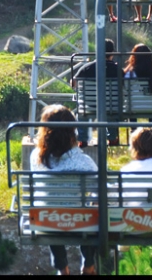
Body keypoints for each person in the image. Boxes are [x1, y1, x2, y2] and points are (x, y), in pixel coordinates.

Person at [31, 104, 99, 275]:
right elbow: (100, 189)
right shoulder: (83, 162)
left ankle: (63, 269)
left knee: (50, 209)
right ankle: (89, 264)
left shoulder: (36, 157)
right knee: (93, 209)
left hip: (45, 220)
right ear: (72, 131)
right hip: (77, 220)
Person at [71, 38, 122, 145]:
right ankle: (112, 137)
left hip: (89, 106)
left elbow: (73, 83)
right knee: (112, 108)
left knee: (81, 110)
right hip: (111, 106)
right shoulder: (117, 69)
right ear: (112, 53)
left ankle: (82, 139)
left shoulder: (87, 68)